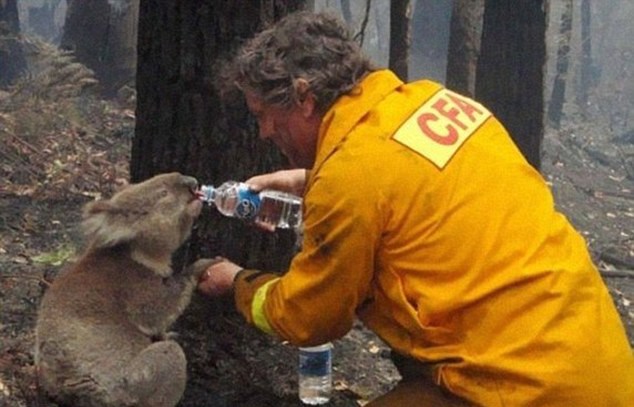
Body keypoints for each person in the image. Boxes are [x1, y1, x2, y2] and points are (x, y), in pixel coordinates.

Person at [198, 11, 634, 406]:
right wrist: (309, 182)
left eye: (264, 115)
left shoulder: (351, 177)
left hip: (523, 389)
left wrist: (237, 283)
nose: (263, 132)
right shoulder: (431, 102)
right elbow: (409, 190)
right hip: (598, 365)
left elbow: (310, 317)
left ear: (304, 97)